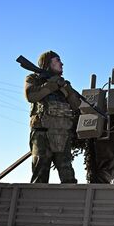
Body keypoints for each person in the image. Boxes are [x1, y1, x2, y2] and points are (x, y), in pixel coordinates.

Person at [25, 50, 81, 183]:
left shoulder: (64, 84)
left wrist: (66, 89)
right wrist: (52, 85)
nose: (62, 63)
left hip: (62, 135)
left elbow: (75, 105)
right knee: (40, 174)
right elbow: (31, 96)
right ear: (47, 63)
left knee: (68, 176)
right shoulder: (34, 79)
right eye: (57, 60)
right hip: (42, 134)